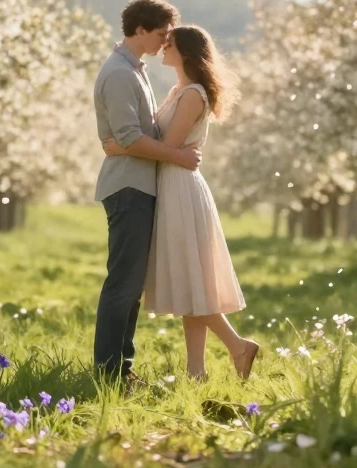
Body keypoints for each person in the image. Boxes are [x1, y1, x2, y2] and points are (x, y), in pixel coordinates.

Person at [103, 25, 257, 381]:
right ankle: (197, 372)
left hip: (181, 187)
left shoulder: (193, 95)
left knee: (192, 281)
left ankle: (237, 347)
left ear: (185, 52)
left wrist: (122, 146)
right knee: (191, 279)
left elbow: (168, 147)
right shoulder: (178, 90)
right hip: (171, 182)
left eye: (169, 45)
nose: (163, 49)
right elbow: (166, 146)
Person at [92, 0, 201, 385]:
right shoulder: (121, 74)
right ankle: (109, 373)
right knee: (123, 283)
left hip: (139, 184)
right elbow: (130, 138)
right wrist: (176, 156)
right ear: (140, 30)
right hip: (128, 186)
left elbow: (132, 136)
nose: (165, 41)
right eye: (160, 32)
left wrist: (136, 144)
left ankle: (121, 368)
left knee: (131, 283)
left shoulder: (133, 69)